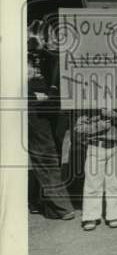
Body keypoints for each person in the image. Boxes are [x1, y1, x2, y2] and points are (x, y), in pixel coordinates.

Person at [26, 24, 75, 220]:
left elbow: (60, 60)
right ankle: (61, 206)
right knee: (45, 151)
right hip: (34, 101)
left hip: (56, 100)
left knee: (53, 149)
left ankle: (42, 201)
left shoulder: (57, 28)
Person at [76, 107, 117, 231]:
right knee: (92, 182)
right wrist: (98, 126)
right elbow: (79, 128)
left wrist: (113, 115)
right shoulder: (89, 107)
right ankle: (90, 216)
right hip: (96, 147)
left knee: (114, 183)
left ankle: (114, 214)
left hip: (116, 148)